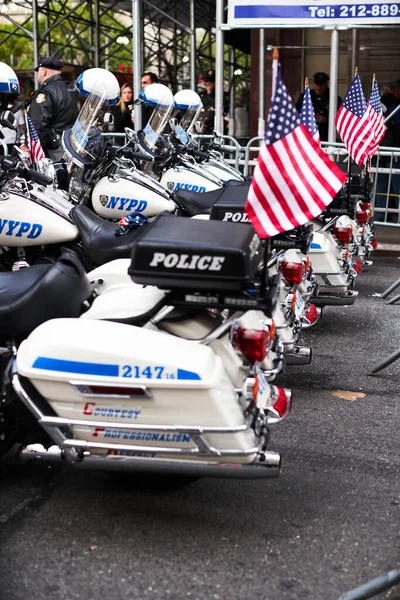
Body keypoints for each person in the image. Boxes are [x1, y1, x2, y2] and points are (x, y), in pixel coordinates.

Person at [27, 56, 79, 160]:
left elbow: (38, 125)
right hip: (70, 145)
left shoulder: (45, 92)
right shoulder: (70, 90)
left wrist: (33, 149)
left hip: (52, 149)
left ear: (43, 71)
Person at [374, 79, 400, 222]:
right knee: (381, 183)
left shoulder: (395, 107)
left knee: (397, 184)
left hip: (394, 149)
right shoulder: (382, 105)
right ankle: (380, 214)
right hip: (383, 148)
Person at [295, 72, 341, 141]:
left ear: (326, 84)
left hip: (325, 136)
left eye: (321, 85)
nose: (318, 88)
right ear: (313, 83)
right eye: (316, 85)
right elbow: (296, 112)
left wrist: (325, 119)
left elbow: (339, 118)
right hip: (307, 135)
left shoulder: (333, 98)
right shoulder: (306, 96)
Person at [199, 69, 230, 135]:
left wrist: (210, 94)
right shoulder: (201, 95)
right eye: (207, 81)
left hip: (217, 128)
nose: (209, 83)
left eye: (211, 81)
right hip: (203, 128)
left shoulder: (221, 95)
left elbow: (223, 109)